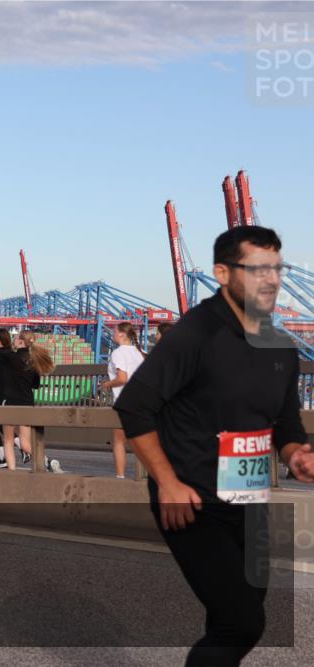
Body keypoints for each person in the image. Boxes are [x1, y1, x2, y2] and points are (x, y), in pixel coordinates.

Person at [114, 226, 314, 666]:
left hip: (249, 499)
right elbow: (134, 407)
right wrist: (166, 483)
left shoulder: (279, 344)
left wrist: (295, 452)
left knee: (234, 615)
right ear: (222, 273)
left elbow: (284, 422)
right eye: (257, 269)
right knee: (242, 623)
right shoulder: (195, 334)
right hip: (191, 501)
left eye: (276, 269)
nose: (272, 280)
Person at [0, 330, 58, 471]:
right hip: (27, 404)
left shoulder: (9, 357)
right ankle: (48, 462)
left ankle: (12, 473)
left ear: (20, 342)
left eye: (16, 337)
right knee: (26, 444)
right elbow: (36, 385)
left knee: (8, 440)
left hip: (11, 403)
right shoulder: (33, 361)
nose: (13, 339)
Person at [99, 322, 145, 479]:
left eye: (114, 331)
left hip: (124, 401)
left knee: (119, 441)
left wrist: (107, 384)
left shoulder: (118, 353)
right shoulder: (140, 352)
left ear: (121, 334)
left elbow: (122, 378)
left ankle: (120, 477)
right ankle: (142, 476)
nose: (112, 334)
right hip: (141, 401)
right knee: (140, 441)